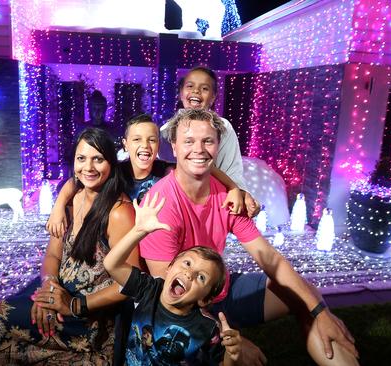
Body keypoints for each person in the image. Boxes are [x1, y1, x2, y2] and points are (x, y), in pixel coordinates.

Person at [140, 109, 359, 366]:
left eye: (207, 141)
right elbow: (167, 295)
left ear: (219, 146)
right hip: (181, 304)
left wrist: (320, 311)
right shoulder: (161, 204)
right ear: (174, 148)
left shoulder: (228, 196)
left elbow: (269, 259)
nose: (198, 149)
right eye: (189, 141)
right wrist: (224, 337)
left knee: (306, 295)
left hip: (220, 289)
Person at [0, 128, 138, 364]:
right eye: (81, 159)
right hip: (58, 292)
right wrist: (50, 288)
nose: (89, 167)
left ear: (112, 163)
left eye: (98, 159)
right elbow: (53, 254)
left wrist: (73, 305)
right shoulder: (74, 198)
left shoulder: (119, 212)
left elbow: (132, 282)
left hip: (87, 316)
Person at [46, 113, 246, 239]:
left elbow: (207, 168)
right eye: (137, 139)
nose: (145, 146)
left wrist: (233, 188)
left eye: (152, 140)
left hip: (158, 244)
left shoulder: (167, 171)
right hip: (122, 244)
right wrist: (58, 206)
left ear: (159, 145)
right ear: (125, 144)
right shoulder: (116, 171)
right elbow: (76, 182)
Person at [103, 192, 242, 365]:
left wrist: (232, 356)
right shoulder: (149, 289)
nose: (189, 273)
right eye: (187, 263)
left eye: (201, 277)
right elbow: (111, 264)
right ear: (169, 268)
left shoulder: (207, 329)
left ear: (205, 299)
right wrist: (138, 231)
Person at [159, 66, 260, 217]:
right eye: (190, 86)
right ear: (181, 93)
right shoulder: (166, 131)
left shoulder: (224, 127)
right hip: (175, 204)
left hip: (214, 203)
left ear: (213, 97)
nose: (196, 91)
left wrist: (240, 191)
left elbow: (232, 169)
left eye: (204, 88)